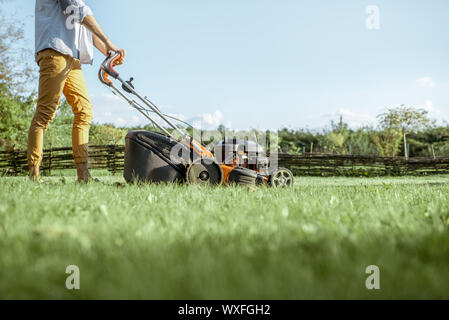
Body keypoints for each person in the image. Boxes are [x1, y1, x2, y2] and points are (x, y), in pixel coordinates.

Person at [28, 0, 125, 182]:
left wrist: (107, 51)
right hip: (54, 51)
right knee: (45, 114)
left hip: (71, 57)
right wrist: (108, 42)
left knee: (84, 111)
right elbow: (79, 11)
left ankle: (83, 177)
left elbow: (81, 24)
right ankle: (34, 177)